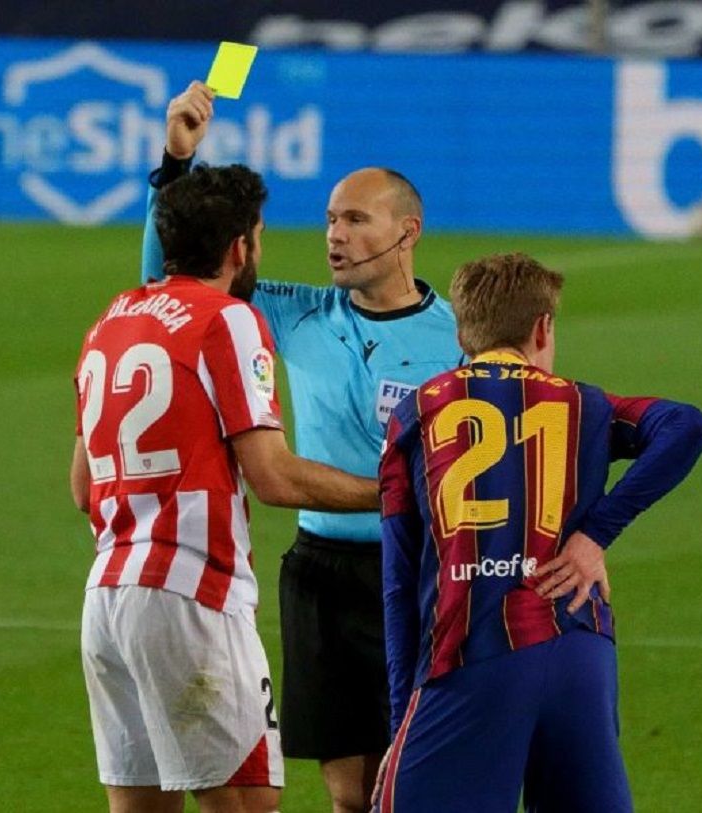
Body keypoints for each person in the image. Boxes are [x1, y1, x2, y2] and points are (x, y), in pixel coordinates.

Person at [141, 82, 463, 812]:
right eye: (328, 220)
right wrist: (176, 162)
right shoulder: (296, 312)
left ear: (408, 231)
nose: (334, 235)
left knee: (413, 777)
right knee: (348, 790)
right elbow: (174, 281)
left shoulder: (457, 335)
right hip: (319, 572)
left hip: (418, 566)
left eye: (355, 219)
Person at [71, 164, 380, 812]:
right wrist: (394, 491)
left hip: (106, 600)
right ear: (241, 246)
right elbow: (273, 475)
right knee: (244, 803)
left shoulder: (112, 319)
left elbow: (82, 487)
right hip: (191, 597)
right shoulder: (229, 320)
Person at [374, 253, 702, 812]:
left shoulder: (414, 417)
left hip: (467, 657)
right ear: (543, 327)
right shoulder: (587, 404)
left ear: (462, 331)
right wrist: (594, 535)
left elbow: (398, 582)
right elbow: (686, 426)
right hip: (580, 651)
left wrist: (401, 724)